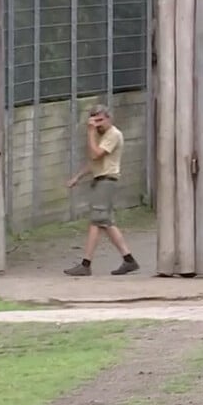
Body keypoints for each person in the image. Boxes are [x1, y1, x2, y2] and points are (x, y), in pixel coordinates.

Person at [63, 104, 139, 276]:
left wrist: (90, 133)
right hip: (100, 179)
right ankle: (129, 260)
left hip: (107, 181)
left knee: (96, 221)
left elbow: (97, 154)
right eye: (94, 121)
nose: (97, 124)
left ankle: (86, 264)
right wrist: (78, 177)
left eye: (100, 120)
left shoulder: (113, 134)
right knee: (106, 222)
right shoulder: (100, 135)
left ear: (108, 118)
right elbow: (93, 161)